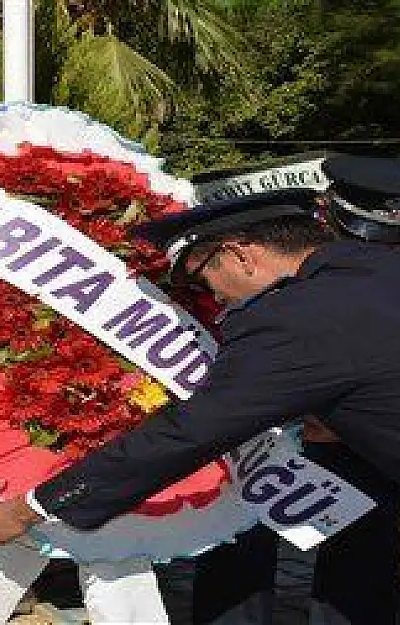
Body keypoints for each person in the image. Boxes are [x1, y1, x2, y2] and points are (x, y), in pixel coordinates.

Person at [0, 188, 400, 625]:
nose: (214, 298)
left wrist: (28, 509)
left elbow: (190, 432)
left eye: (200, 278)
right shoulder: (376, 272)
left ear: (239, 255)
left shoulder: (295, 318)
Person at [192, 156, 400, 625]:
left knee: (360, 562)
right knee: (237, 542)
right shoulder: (292, 255)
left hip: (357, 443)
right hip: (264, 431)